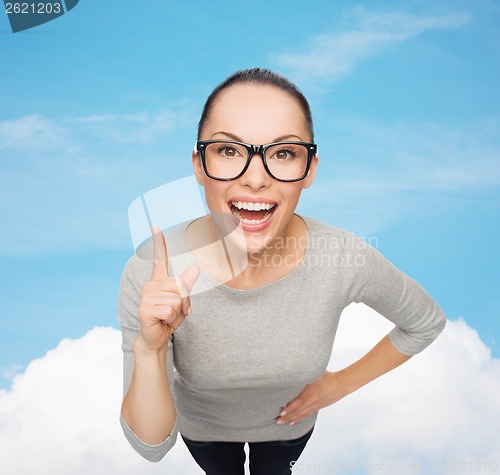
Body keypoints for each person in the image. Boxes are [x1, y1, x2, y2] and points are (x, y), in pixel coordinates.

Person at [118, 68, 446, 475]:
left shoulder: (341, 256)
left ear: (309, 169)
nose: (255, 179)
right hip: (203, 431)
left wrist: (338, 385)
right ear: (199, 165)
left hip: (290, 429)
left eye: (284, 154)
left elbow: (425, 323)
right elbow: (151, 446)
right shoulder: (153, 271)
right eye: (229, 151)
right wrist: (150, 350)